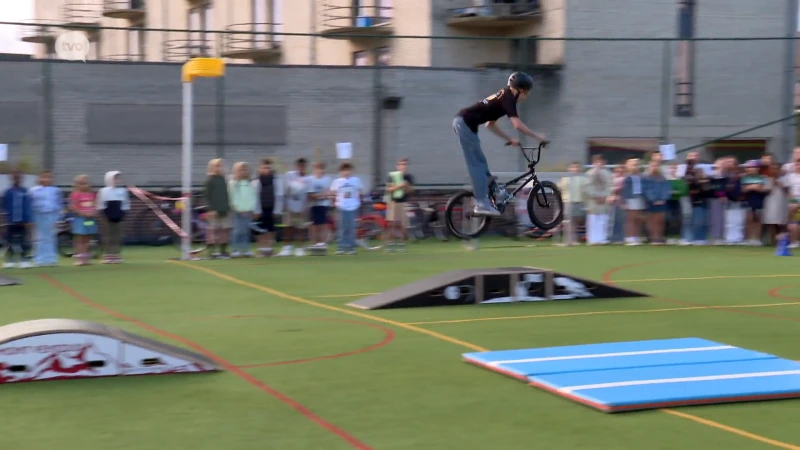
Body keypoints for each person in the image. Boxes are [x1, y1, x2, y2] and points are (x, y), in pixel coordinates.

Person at [453, 71, 547, 217]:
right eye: (527, 93)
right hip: (464, 123)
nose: (526, 97)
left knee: (481, 162)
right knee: (476, 165)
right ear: (521, 89)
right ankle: (482, 203)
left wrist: (509, 139)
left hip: (467, 125)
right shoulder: (509, 98)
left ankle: (496, 193)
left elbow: (490, 125)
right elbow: (517, 124)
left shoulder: (504, 96)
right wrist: (537, 137)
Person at [278, 158, 311, 257]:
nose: (301, 167)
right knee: (288, 227)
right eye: (299, 165)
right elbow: (285, 190)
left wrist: (305, 208)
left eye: (303, 165)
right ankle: (287, 248)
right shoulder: (289, 175)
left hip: (301, 207)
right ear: (296, 166)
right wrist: (284, 205)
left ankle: (300, 248)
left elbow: (308, 195)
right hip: (289, 206)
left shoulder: (308, 179)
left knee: (300, 228)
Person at [96, 170, 130, 263]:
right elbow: (100, 204)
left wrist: (124, 213)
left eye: (118, 178)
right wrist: (103, 215)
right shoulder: (103, 191)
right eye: (115, 178)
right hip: (107, 215)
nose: (117, 180)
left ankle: (116, 254)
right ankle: (107, 254)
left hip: (119, 215)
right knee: (107, 235)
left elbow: (126, 204)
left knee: (117, 236)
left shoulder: (123, 191)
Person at [29, 169, 62, 267]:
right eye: (44, 177)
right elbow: (30, 204)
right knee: (39, 237)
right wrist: (30, 218)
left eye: (49, 177)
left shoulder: (55, 190)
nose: (47, 179)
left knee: (51, 237)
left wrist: (59, 218)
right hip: (38, 215)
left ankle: (51, 258)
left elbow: (59, 204)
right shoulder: (33, 190)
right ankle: (39, 259)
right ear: (39, 178)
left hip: (52, 215)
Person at [2, 170, 32, 269]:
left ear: (21, 178)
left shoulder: (25, 191)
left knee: (23, 241)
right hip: (10, 221)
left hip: (23, 221)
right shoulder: (7, 192)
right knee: (9, 241)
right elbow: (4, 207)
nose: (17, 179)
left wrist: (28, 220)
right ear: (12, 178)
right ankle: (10, 260)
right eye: (15, 177)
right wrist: (4, 221)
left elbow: (28, 206)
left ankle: (24, 259)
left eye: (19, 177)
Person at [330, 162, 362, 255]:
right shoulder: (337, 181)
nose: (346, 172)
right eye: (344, 170)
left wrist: (358, 199)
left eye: (348, 170)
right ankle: (341, 247)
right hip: (342, 206)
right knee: (342, 227)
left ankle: (351, 247)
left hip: (353, 207)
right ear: (340, 172)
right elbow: (333, 193)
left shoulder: (356, 180)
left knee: (351, 227)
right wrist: (334, 202)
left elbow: (360, 191)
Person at [252, 159, 283, 256]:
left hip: (272, 209)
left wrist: (277, 210)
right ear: (260, 169)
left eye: (268, 168)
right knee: (260, 230)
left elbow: (279, 196)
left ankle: (269, 249)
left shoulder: (276, 181)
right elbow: (254, 197)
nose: (266, 169)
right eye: (264, 167)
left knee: (271, 229)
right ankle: (262, 249)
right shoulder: (255, 181)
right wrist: (256, 211)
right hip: (260, 210)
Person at [384, 158, 414, 253]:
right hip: (393, 202)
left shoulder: (408, 177)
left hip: (403, 202)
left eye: (405, 165)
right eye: (401, 164)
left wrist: (406, 186)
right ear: (397, 166)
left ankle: (402, 245)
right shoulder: (392, 176)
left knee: (403, 225)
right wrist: (400, 186)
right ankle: (390, 245)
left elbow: (411, 191)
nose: (403, 166)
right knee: (391, 224)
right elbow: (389, 189)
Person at [228, 162, 258, 257]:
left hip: (248, 211)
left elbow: (253, 197)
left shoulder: (251, 183)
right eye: (241, 170)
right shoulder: (233, 183)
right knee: (237, 231)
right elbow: (232, 197)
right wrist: (238, 208)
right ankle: (234, 250)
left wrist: (250, 209)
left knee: (246, 230)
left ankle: (245, 249)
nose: (243, 172)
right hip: (237, 211)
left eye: (245, 170)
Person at [204, 158, 231, 259]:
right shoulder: (210, 179)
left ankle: (223, 250)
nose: (219, 168)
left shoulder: (225, 179)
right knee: (212, 230)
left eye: (221, 166)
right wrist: (210, 209)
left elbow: (227, 194)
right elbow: (207, 196)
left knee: (224, 229)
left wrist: (228, 207)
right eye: (217, 166)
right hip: (214, 210)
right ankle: (211, 251)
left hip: (224, 209)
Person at [68, 174, 97, 266]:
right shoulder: (75, 194)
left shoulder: (91, 195)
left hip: (90, 220)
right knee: (80, 238)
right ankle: (80, 258)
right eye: (81, 183)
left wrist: (93, 212)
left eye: (86, 183)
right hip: (80, 219)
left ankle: (86, 258)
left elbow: (95, 205)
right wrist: (81, 213)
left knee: (88, 237)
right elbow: (72, 206)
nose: (84, 185)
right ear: (76, 185)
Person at [584, 155, 613, 245]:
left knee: (603, 219)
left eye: (601, 161)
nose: (599, 163)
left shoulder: (608, 173)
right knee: (593, 219)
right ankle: (592, 239)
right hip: (593, 200)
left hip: (604, 199)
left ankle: (602, 238)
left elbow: (610, 185)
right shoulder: (589, 173)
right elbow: (587, 186)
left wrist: (605, 196)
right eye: (597, 162)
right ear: (593, 163)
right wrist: (595, 196)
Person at [308, 161, 332, 250]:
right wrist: (320, 195)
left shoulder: (327, 179)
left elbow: (328, 192)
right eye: (317, 168)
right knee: (314, 225)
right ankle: (314, 243)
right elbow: (310, 194)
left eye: (321, 168)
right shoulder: (310, 179)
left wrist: (321, 196)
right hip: (313, 205)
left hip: (323, 205)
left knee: (323, 224)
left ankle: (322, 243)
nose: (320, 170)